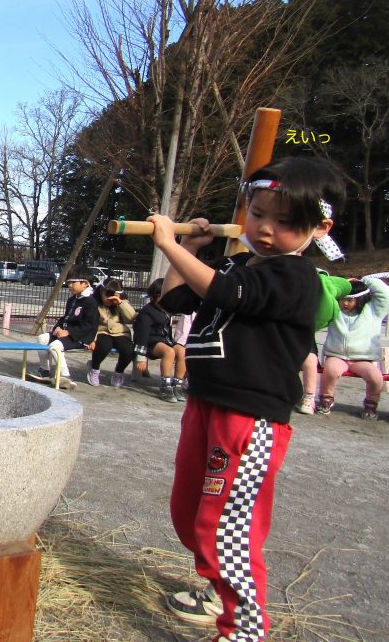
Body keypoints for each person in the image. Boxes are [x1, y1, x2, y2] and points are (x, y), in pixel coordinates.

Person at [149, 156, 342, 642]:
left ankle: (244, 629)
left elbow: (227, 292)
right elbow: (175, 300)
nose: (266, 230)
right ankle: (219, 591)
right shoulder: (237, 263)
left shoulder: (295, 277)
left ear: (319, 228)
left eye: (286, 222)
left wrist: (168, 243)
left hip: (248, 418)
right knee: (189, 512)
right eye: (258, 214)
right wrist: (188, 247)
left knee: (226, 526)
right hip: (206, 401)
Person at [315, 273, 389, 419]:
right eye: (343, 299)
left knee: (376, 378)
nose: (345, 303)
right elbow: (324, 292)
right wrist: (342, 283)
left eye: (350, 300)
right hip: (336, 355)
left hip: (362, 359)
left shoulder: (373, 311)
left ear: (360, 299)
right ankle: (326, 400)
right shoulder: (334, 309)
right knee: (331, 371)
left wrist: (365, 280)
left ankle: (371, 405)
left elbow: (385, 295)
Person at [30, 266, 99, 390]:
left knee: (55, 346)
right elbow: (65, 318)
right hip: (67, 335)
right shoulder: (72, 300)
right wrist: (57, 328)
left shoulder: (90, 302)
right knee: (42, 338)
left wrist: (69, 332)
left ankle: (66, 376)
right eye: (69, 283)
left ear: (85, 283)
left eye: (73, 282)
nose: (70, 285)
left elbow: (90, 326)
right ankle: (45, 370)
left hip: (81, 337)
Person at [295, 270, 353, 415]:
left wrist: (322, 278)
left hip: (304, 336)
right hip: (280, 334)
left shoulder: (321, 296)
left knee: (310, 361)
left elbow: (344, 285)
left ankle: (309, 397)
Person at [133, 278, 188, 402]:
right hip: (149, 342)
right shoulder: (147, 312)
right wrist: (141, 357)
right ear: (153, 297)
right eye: (162, 296)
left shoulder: (166, 310)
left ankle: (178, 384)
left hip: (164, 340)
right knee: (169, 352)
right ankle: (165, 386)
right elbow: (142, 335)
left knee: (182, 351)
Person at [86, 278, 136, 388]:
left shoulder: (121, 302)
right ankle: (94, 368)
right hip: (101, 331)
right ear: (101, 291)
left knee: (128, 349)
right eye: (107, 294)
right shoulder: (93, 303)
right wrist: (92, 339)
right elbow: (90, 323)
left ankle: (119, 371)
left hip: (120, 332)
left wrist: (120, 303)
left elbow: (131, 318)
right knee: (104, 346)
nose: (109, 298)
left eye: (112, 295)